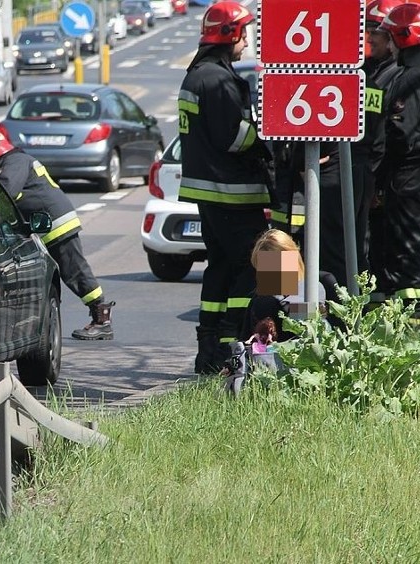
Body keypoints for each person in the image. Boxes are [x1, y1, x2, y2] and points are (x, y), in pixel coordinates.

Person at [177, 1, 271, 374]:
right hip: (232, 191)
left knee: (219, 268)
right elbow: (235, 137)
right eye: (243, 33)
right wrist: (269, 138)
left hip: (210, 193)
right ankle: (237, 343)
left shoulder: (197, 75)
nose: (246, 41)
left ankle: (210, 348)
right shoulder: (219, 80)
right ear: (229, 34)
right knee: (255, 267)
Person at [0, 129, 116, 340]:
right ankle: (94, 317)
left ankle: (102, 320)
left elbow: (5, 192)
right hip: (51, 223)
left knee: (74, 271)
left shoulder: (14, 162)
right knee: (64, 272)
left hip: (57, 224)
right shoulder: (15, 161)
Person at [378, 4, 420, 324]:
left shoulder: (407, 80)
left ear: (404, 38)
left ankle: (412, 325)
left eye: (390, 38)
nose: (387, 46)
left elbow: (398, 135)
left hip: (411, 176)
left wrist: (379, 176)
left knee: (409, 251)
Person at [365, 0, 405, 287]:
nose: (368, 36)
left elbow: (381, 136)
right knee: (278, 249)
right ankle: (274, 318)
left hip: (331, 180)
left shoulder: (391, 77)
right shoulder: (367, 72)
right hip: (293, 184)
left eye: (373, 30)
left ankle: (286, 319)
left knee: (368, 253)